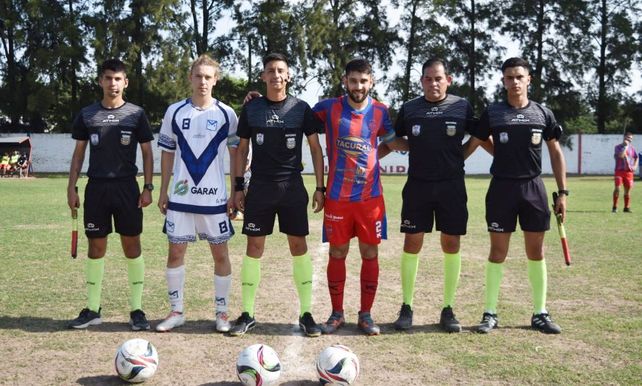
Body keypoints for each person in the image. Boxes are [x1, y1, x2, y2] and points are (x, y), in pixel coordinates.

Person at [382, 58, 490, 332]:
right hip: (418, 185)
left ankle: (448, 308)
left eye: (438, 78)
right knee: (412, 242)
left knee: (451, 243)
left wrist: (461, 155)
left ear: (448, 80)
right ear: (422, 81)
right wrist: (380, 155)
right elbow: (393, 138)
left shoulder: (461, 106)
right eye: (428, 79)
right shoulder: (410, 109)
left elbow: (478, 136)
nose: (433, 83)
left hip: (452, 186)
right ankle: (406, 307)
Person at [229, 53, 325, 337]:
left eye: (281, 70)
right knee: (254, 248)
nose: (276, 75)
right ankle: (247, 313)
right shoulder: (252, 109)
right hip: (259, 186)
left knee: (299, 247)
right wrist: (237, 187)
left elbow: (316, 150)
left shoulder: (301, 108)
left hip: (292, 186)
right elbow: (241, 150)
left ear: (289, 75)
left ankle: (306, 313)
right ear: (263, 76)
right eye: (270, 70)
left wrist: (320, 187)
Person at [471, 57, 568, 334]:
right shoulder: (493, 113)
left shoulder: (542, 113)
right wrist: (451, 163)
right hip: (501, 188)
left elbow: (556, 152)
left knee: (535, 251)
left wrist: (563, 193)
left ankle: (540, 312)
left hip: (533, 188)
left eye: (519, 77)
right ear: (503, 81)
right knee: (497, 251)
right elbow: (476, 143)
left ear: (529, 80)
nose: (514, 82)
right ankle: (490, 313)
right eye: (509, 77)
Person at [312, 58, 406, 336]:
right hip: (338, 198)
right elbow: (296, 114)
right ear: (345, 81)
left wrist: (426, 144)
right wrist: (260, 100)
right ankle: (336, 313)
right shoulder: (328, 108)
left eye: (363, 81)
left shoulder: (380, 111)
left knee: (370, 252)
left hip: (370, 199)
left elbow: (390, 141)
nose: (358, 86)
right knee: (337, 252)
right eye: (353, 81)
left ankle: (365, 315)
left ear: (371, 82)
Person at [67, 58, 154, 330]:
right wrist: (71, 187)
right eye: (108, 78)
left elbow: (148, 153)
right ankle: (93, 309)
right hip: (97, 189)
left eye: (118, 79)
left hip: (127, 188)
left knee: (132, 246)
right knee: (96, 247)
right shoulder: (87, 114)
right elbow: (79, 153)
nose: (113, 83)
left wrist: (148, 187)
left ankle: (137, 310)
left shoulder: (136, 114)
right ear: (100, 81)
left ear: (125, 82)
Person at [155, 55, 239, 333]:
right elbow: (167, 154)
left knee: (220, 254)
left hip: (214, 198)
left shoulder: (227, 114)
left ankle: (222, 313)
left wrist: (235, 191)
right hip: (180, 197)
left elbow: (236, 154)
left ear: (215, 80)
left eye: (208, 77)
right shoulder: (174, 112)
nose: (203, 81)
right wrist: (164, 190)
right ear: (190, 78)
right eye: (198, 76)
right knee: (176, 251)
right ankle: (177, 311)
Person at [612, 132, 638, 213]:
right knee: (617, 188)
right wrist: (625, 147)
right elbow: (621, 156)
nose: (629, 139)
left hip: (629, 172)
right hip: (619, 171)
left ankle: (626, 208)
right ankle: (615, 207)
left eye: (630, 138)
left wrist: (635, 166)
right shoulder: (617, 147)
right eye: (628, 137)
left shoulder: (632, 148)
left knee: (627, 190)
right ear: (624, 137)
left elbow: (636, 157)